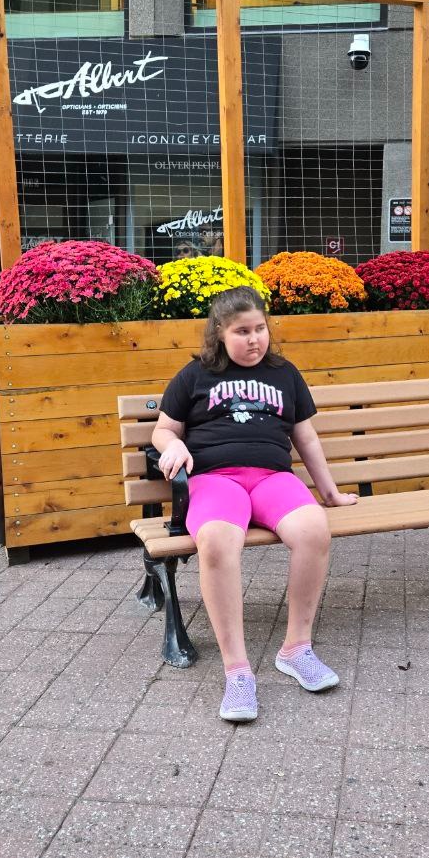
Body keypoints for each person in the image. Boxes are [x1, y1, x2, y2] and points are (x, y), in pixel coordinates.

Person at [152, 285, 358, 723]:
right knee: (216, 541)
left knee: (314, 529)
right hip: (215, 479)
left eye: (260, 329)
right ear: (220, 333)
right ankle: (238, 671)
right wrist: (173, 445)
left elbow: (306, 438)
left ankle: (296, 649)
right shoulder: (195, 375)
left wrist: (330, 494)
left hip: (272, 478)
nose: (254, 340)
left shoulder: (284, 374)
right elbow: (163, 429)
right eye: (242, 331)